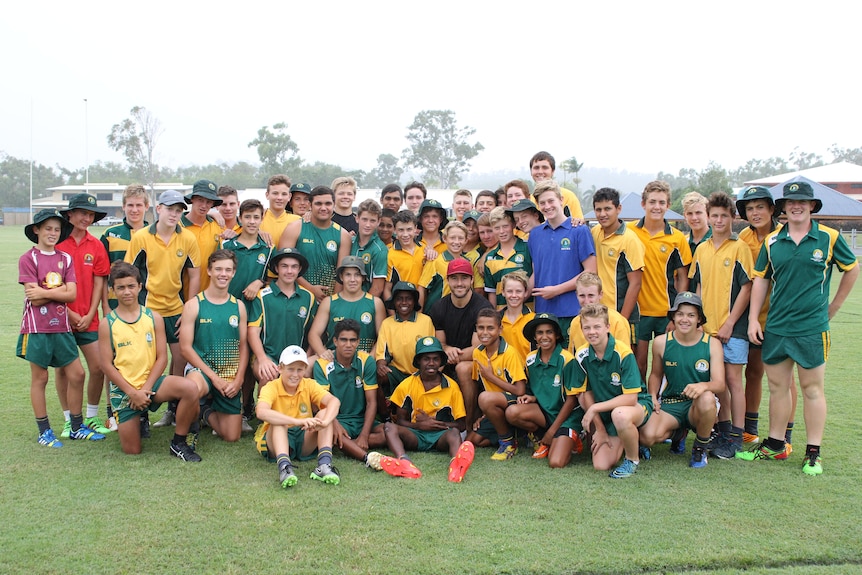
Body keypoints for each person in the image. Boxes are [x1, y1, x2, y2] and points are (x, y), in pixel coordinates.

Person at [740, 181, 859, 475]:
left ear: (812, 206)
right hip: (777, 327)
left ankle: (813, 453)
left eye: (802, 202)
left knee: (812, 389)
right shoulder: (772, 241)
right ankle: (775, 446)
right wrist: (755, 318)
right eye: (791, 202)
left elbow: (851, 268)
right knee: (778, 389)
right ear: (784, 207)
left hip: (811, 328)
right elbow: (761, 280)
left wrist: (834, 307)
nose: (796, 206)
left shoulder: (829, 238)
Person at [18, 209, 105, 447]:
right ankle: (44, 430)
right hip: (37, 327)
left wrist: (45, 292)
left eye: (56, 229)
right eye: (47, 228)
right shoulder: (28, 258)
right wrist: (57, 294)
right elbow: (33, 299)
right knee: (40, 378)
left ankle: (76, 426)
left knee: (78, 374)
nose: (53, 233)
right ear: (36, 230)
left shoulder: (64, 258)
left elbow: (71, 293)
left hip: (62, 326)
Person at [98, 262, 202, 460]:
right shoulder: (107, 324)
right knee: (132, 450)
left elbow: (162, 357)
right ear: (112, 290)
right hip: (125, 391)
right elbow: (106, 365)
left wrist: (145, 388)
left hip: (152, 384)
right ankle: (138, 415)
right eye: (120, 287)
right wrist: (132, 393)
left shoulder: (153, 317)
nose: (126, 292)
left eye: (131, 286)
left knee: (190, 388)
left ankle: (179, 442)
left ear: (140, 286)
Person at [688, 191, 752, 459]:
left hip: (732, 329)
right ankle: (723, 433)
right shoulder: (702, 248)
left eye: (723, 216)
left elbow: (747, 288)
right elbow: (699, 286)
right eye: (714, 215)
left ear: (733, 218)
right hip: (708, 329)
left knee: (734, 381)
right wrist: (700, 323)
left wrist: (730, 323)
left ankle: (737, 437)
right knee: (718, 383)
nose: (718, 220)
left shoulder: (740, 248)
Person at [638, 292, 725, 468]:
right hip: (671, 403)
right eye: (680, 314)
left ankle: (700, 448)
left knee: (708, 398)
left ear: (699, 318)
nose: (685, 319)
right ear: (673, 317)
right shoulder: (661, 342)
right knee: (646, 437)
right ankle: (678, 433)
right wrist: (653, 396)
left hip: (697, 404)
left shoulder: (712, 343)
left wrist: (703, 386)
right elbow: (655, 374)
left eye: (691, 315)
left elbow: (720, 384)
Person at [125, 190, 201, 389]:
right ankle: (141, 410)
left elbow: (195, 275)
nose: (174, 214)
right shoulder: (141, 237)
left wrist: (188, 309)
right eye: (169, 209)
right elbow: (129, 274)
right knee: (146, 361)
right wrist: (134, 310)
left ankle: (173, 408)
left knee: (180, 358)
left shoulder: (188, 238)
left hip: (175, 308)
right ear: (159, 209)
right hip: (148, 309)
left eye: (178, 211)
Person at [735, 185, 791, 446]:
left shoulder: (786, 235)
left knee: (784, 378)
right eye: (750, 208)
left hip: (782, 316)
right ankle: (750, 427)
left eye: (760, 207)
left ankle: (786, 434)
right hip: (753, 317)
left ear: (772, 209)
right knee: (754, 372)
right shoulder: (743, 238)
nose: (755, 213)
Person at [379, 337, 476, 483]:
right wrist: (419, 426)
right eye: (426, 359)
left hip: (440, 436)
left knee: (454, 433)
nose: (431, 363)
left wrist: (435, 424)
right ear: (418, 361)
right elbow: (400, 421)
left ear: (441, 362)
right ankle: (403, 461)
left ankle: (456, 465)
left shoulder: (452, 387)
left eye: (436, 359)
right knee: (389, 427)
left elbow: (461, 425)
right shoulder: (407, 385)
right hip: (416, 435)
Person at [573, 303, 653, 479]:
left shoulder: (623, 352)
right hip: (605, 412)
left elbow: (631, 398)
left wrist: (595, 408)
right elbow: (585, 394)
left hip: (635, 405)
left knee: (621, 415)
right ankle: (629, 439)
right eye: (587, 327)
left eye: (597, 327)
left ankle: (632, 459)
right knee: (601, 465)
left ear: (607, 327)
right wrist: (599, 429)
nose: (592, 332)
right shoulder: (581, 354)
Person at [55, 194, 112, 436]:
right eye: (81, 212)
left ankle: (90, 417)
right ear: (69, 214)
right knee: (63, 370)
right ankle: (69, 419)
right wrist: (67, 313)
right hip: (60, 319)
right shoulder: (57, 242)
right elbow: (49, 286)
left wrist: (90, 313)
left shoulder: (96, 245)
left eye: (90, 214)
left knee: (99, 367)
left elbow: (100, 282)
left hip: (89, 319)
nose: (86, 218)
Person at [179, 250, 249, 443]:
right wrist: (213, 378)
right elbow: (185, 348)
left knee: (232, 436)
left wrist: (239, 379)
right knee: (192, 388)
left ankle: (204, 412)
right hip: (201, 371)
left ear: (234, 273)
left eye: (228, 270)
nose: (223, 274)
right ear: (209, 271)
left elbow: (244, 346)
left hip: (229, 374)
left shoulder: (239, 306)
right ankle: (181, 436)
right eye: (218, 269)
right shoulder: (194, 305)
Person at [627, 180, 691, 380]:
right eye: (652, 202)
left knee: (666, 363)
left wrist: (677, 312)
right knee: (638, 363)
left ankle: (664, 405)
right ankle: (641, 404)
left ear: (668, 205)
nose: (657, 207)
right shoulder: (629, 231)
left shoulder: (677, 238)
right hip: (638, 312)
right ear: (643, 204)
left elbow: (682, 277)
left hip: (665, 311)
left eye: (661, 202)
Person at [255, 346, 342, 488]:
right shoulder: (271, 387)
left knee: (325, 413)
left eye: (300, 369)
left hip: (303, 436)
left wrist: (325, 422)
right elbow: (261, 412)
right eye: (290, 369)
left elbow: (334, 401)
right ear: (280, 368)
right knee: (278, 421)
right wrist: (296, 421)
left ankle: (324, 465)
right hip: (277, 440)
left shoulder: (308, 384)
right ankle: (285, 468)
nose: (295, 374)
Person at [101, 184, 151, 436]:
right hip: (116, 306)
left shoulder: (154, 232)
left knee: (143, 359)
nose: (134, 209)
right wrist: (103, 307)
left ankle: (142, 414)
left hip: (145, 308)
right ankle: (114, 411)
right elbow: (101, 275)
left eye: (138, 205)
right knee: (115, 360)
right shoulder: (111, 234)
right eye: (130, 205)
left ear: (146, 207)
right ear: (123, 206)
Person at [505, 313, 583, 467]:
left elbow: (572, 400)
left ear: (557, 335)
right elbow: (535, 387)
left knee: (556, 462)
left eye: (549, 332)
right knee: (512, 412)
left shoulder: (567, 359)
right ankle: (543, 439)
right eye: (540, 333)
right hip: (545, 414)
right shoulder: (531, 359)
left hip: (566, 418)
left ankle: (571, 438)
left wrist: (552, 431)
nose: (544, 336)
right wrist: (531, 398)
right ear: (534, 337)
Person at [528, 179, 596, 347]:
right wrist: (522, 293)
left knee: (572, 364)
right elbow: (537, 270)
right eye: (542, 203)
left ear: (561, 200)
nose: (547, 206)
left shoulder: (579, 230)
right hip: (543, 313)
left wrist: (556, 290)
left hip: (572, 311)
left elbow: (590, 272)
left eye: (551, 200)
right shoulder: (535, 234)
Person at [428, 258, 494, 426]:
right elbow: (439, 344)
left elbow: (479, 349)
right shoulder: (439, 307)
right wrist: (446, 349)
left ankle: (466, 425)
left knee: (463, 368)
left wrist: (449, 355)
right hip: (449, 360)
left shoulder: (482, 307)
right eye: (454, 278)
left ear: (472, 280)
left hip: (481, 365)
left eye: (464, 278)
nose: (459, 283)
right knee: (430, 363)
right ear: (447, 280)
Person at [313, 319, 386, 469]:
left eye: (353, 340)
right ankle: (365, 457)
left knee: (388, 433)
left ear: (358, 341)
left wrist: (364, 436)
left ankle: (346, 445)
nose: (348, 344)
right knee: (327, 429)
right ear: (335, 341)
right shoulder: (322, 364)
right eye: (343, 340)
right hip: (338, 419)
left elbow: (372, 402)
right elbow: (321, 404)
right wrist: (336, 425)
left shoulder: (366, 361)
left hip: (361, 420)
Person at [247, 248, 317, 388]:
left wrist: (306, 358)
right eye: (284, 266)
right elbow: (252, 332)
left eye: (294, 267)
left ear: (299, 269)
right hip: (268, 355)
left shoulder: (308, 297)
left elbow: (313, 333)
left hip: (295, 357)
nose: (289, 271)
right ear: (277, 268)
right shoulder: (262, 296)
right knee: (269, 375)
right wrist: (262, 359)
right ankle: (261, 409)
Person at [465, 309, 527, 460]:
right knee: (473, 440)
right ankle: (514, 434)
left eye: (490, 328)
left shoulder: (509, 353)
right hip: (495, 405)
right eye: (481, 328)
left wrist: (491, 377)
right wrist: (484, 414)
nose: (485, 332)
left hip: (517, 402)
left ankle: (508, 443)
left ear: (500, 329)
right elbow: (483, 385)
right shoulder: (477, 353)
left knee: (485, 398)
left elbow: (520, 390)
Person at [279, 185, 351, 302]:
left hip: (327, 299)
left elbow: (341, 273)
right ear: (310, 205)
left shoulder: (343, 235)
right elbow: (283, 265)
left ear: (334, 205)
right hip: (296, 297)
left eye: (327, 204)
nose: (323, 208)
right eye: (318, 204)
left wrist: (333, 301)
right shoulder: (294, 228)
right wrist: (310, 288)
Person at [590, 187, 644, 340]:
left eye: (607, 209)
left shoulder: (629, 239)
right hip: (597, 314)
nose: (602, 214)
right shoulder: (594, 232)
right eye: (598, 209)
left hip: (621, 314)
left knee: (623, 360)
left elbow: (635, 283)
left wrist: (621, 320)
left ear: (618, 208)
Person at [307, 256, 385, 358]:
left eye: (357, 275)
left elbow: (382, 337)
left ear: (363, 277)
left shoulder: (375, 303)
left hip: (363, 358)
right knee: (307, 366)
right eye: (348, 275)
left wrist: (370, 357)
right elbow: (314, 334)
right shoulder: (329, 302)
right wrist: (323, 352)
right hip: (334, 358)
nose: (352, 279)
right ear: (341, 277)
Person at [375, 281, 435, 403]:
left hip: (420, 372)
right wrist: (381, 365)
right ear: (394, 302)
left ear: (414, 302)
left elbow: (432, 350)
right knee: (377, 376)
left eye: (408, 299)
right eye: (399, 299)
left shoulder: (425, 321)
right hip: (397, 371)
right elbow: (382, 354)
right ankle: (386, 414)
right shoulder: (387, 323)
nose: (404, 302)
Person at [418, 220, 477, 312]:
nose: (456, 242)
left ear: (466, 240)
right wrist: (419, 314)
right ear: (445, 238)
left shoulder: (468, 262)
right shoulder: (435, 261)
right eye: (452, 238)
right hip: (437, 313)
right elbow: (422, 288)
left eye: (460, 238)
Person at [221, 199, 271, 305]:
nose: (252, 221)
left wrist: (260, 282)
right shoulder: (225, 245)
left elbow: (274, 279)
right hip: (228, 305)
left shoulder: (268, 248)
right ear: (240, 219)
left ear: (262, 219)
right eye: (247, 217)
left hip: (254, 309)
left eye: (256, 217)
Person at [568, 272, 633, 353]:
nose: (587, 301)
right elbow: (573, 357)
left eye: (591, 295)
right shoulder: (575, 323)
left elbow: (624, 356)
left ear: (600, 295)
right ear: (576, 295)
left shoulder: (617, 321)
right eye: (582, 296)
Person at [484, 206, 532, 308]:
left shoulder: (528, 247)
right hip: (502, 314)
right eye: (497, 228)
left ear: (513, 225)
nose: (501, 231)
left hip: (528, 311)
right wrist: (495, 315)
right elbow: (491, 292)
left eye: (505, 226)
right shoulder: (490, 258)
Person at [182, 179, 224, 294]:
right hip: (178, 298)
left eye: (209, 202)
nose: (204, 206)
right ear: (192, 199)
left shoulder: (217, 226)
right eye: (200, 200)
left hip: (209, 297)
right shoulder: (177, 226)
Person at [383, 210, 425, 302]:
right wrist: (393, 315)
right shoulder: (390, 254)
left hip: (424, 304)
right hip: (402, 304)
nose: (405, 234)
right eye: (401, 230)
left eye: (409, 229)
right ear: (395, 230)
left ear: (415, 229)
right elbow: (387, 289)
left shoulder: (425, 249)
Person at [529, 151, 584, 220]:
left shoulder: (568, 196)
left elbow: (578, 223)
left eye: (545, 167)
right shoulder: (529, 200)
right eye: (536, 168)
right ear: (531, 171)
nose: (540, 172)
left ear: (552, 171)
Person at [351, 199, 388, 297]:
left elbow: (377, 288)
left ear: (378, 222)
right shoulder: (349, 241)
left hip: (365, 303)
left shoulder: (380, 250)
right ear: (357, 218)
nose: (368, 225)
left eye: (372, 221)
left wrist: (362, 307)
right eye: (364, 219)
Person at [499, 270, 534, 363]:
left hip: (527, 372)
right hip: (502, 372)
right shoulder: (496, 319)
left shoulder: (533, 320)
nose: (514, 295)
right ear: (503, 292)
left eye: (518, 291)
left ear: (526, 292)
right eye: (509, 291)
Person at [261, 174, 301, 243]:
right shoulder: (257, 219)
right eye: (275, 193)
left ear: (289, 196)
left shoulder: (297, 221)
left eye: (284, 194)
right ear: (267, 195)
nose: (279, 198)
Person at [682, 191, 712, 256]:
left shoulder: (718, 241)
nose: (694, 218)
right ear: (685, 216)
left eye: (698, 213)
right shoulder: (682, 242)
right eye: (690, 213)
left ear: (708, 214)